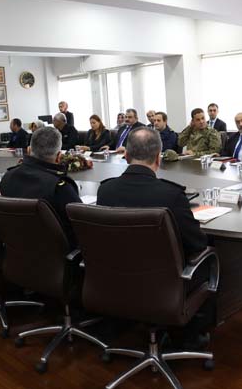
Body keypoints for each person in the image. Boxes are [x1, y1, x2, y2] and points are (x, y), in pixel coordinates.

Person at [97, 127, 213, 348]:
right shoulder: (171, 195)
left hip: (116, 281)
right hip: (164, 286)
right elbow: (197, 244)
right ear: (158, 158)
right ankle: (188, 336)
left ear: (126, 155)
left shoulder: (105, 191)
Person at [0, 126, 82, 248]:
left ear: (29, 150)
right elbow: (82, 226)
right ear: (59, 157)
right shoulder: (59, 188)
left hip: (16, 250)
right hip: (58, 254)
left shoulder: (7, 178)